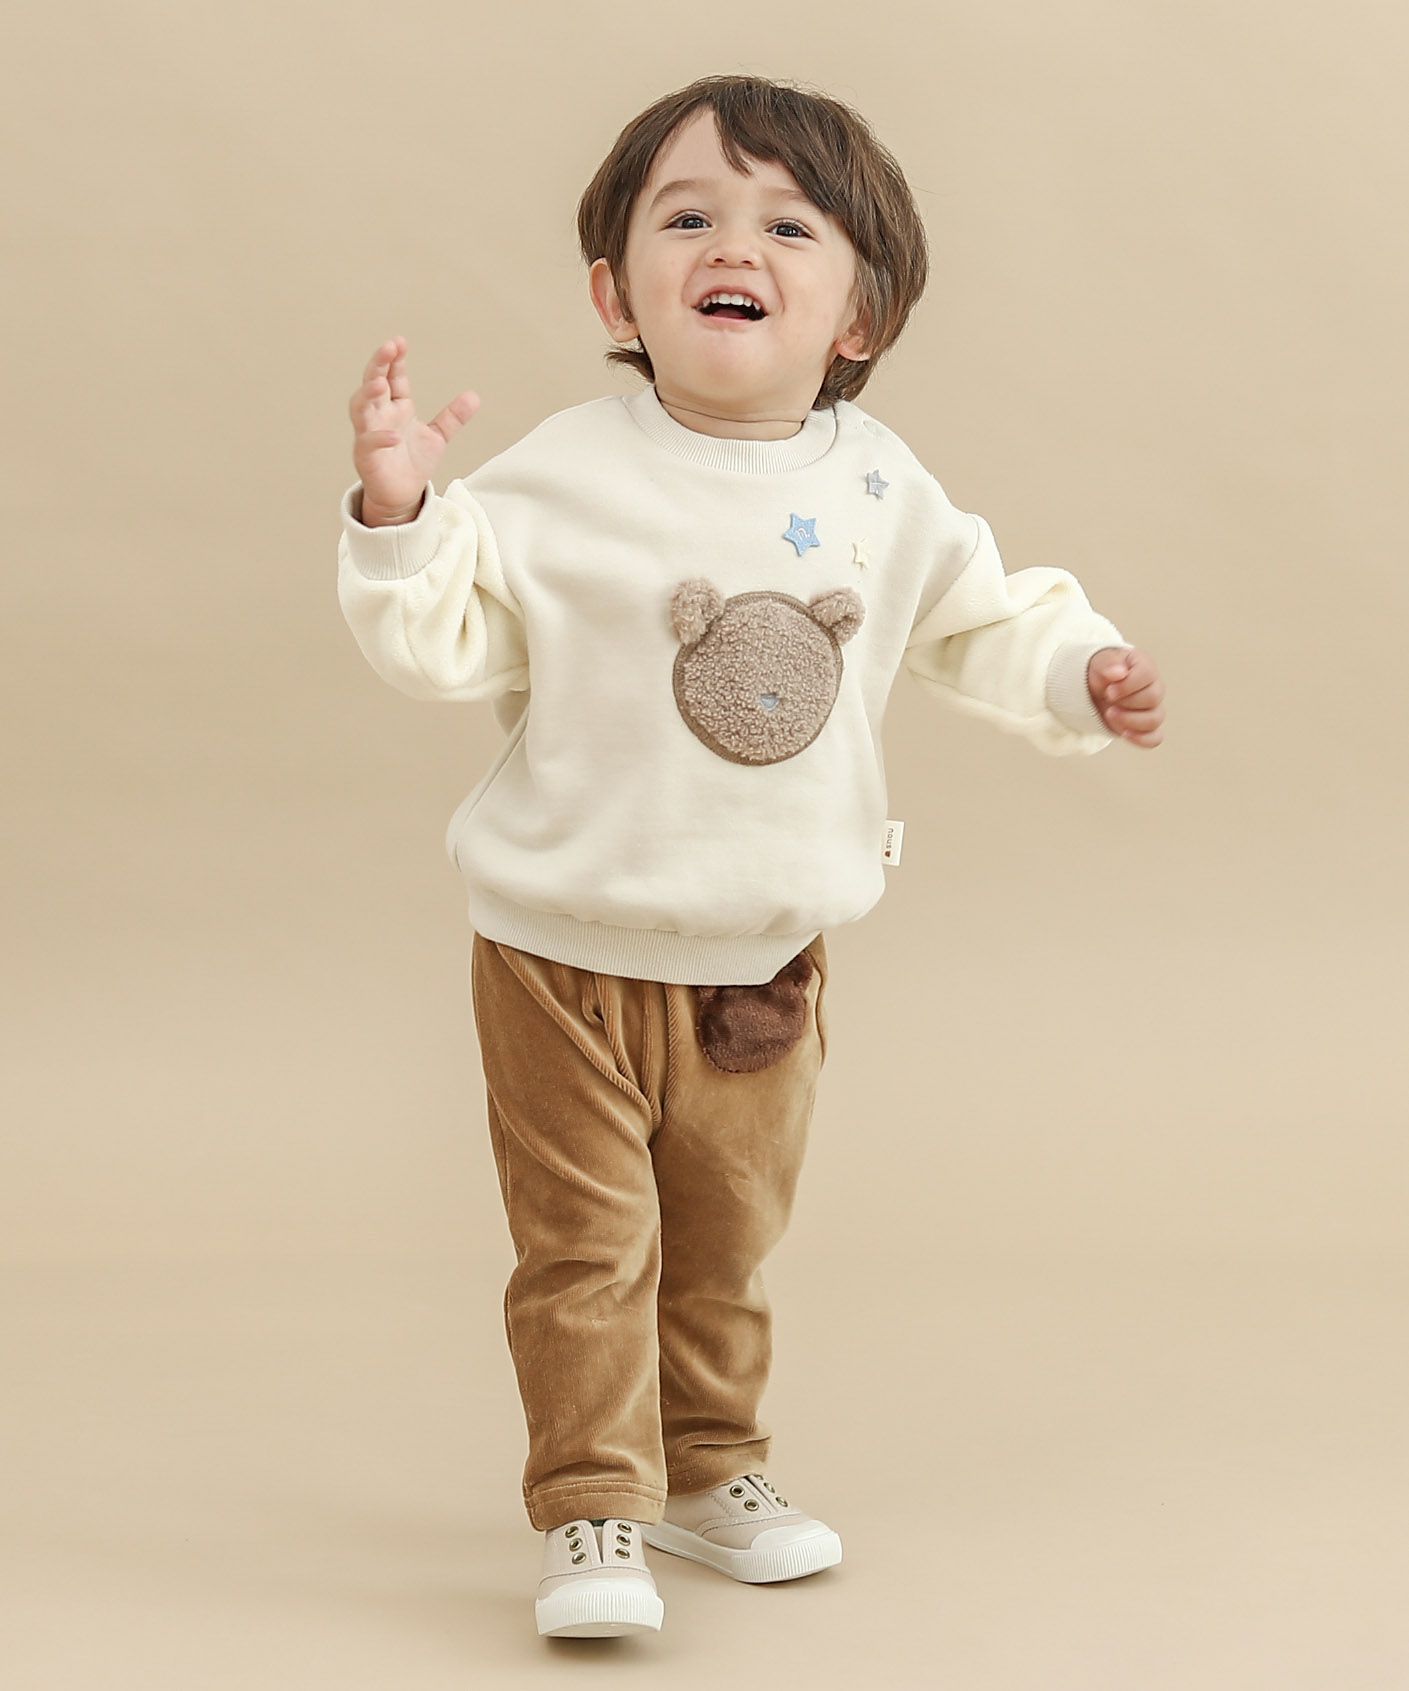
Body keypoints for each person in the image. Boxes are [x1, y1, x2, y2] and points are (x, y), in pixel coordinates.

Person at [335, 73, 1167, 1642]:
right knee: (587, 1250)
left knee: (723, 1246)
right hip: (560, 953)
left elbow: (985, 618)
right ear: (616, 294)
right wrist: (401, 516)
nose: (735, 246)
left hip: (763, 966)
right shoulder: (562, 476)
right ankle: (592, 1504)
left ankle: (710, 1468)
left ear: (861, 315)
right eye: (690, 218)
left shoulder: (878, 489)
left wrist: (1080, 675)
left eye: (789, 227)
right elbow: (440, 644)